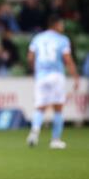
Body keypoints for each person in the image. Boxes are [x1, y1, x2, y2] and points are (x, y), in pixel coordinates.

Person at [26, 15, 79, 149]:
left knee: (40, 107)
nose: (63, 27)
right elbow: (67, 59)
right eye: (61, 24)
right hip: (56, 75)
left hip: (41, 75)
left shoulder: (38, 38)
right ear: (55, 25)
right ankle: (55, 140)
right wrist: (75, 76)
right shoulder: (62, 40)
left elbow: (30, 57)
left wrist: (35, 70)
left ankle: (34, 132)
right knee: (58, 108)